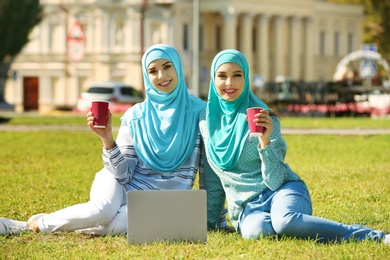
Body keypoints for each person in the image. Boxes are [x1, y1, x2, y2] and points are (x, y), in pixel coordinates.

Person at [0, 44, 228, 236]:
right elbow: (123, 175)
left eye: (167, 67)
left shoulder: (200, 112)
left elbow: (211, 171)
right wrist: (107, 139)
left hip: (162, 200)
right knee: (102, 212)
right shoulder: (135, 115)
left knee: (119, 224)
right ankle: (29, 226)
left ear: (178, 67)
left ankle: (50, 223)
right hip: (119, 180)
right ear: (146, 76)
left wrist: (217, 221)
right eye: (153, 71)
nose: (161, 76)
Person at [199, 49, 390, 244]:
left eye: (237, 75)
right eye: (222, 76)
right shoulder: (206, 122)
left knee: (285, 222)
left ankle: (373, 237)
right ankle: (292, 224)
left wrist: (265, 142)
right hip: (248, 207)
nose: (229, 83)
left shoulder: (264, 118)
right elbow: (214, 177)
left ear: (246, 78)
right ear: (213, 80)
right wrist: (209, 223)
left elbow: (275, 181)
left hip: (282, 190)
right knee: (257, 232)